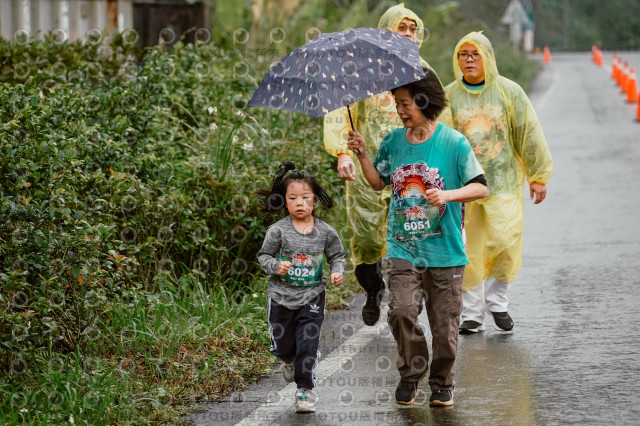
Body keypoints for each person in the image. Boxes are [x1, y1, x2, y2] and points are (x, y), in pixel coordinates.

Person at [347, 68, 487, 407]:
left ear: (424, 101)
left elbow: (480, 186)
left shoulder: (453, 142)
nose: (400, 110)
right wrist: (362, 154)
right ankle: (411, 372)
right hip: (402, 246)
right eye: (397, 103)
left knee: (445, 326)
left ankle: (442, 383)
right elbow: (379, 182)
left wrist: (448, 195)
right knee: (401, 312)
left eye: (406, 103)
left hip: (445, 250)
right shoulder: (393, 141)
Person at [323, 3, 436, 326]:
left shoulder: (423, 71)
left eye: (413, 29)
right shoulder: (359, 71)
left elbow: (442, 117)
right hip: (367, 167)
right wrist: (342, 152)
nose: (408, 33)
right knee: (368, 241)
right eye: (401, 27)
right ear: (385, 31)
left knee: (413, 234)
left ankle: (406, 304)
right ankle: (373, 289)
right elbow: (337, 115)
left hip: (413, 172)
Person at [441, 32, 553, 334]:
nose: (468, 60)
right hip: (465, 187)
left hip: (503, 183)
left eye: (475, 54)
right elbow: (442, 140)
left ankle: (497, 300)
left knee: (505, 242)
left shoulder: (509, 92)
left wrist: (538, 175)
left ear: (487, 57)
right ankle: (473, 313)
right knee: (468, 249)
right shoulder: (449, 95)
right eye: (463, 54)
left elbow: (528, 132)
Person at [256, 161, 345, 413]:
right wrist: (276, 266)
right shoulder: (278, 231)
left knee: (307, 346)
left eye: (305, 197)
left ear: (314, 201)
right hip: (281, 297)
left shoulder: (325, 232)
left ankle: (304, 391)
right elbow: (263, 256)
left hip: (312, 295)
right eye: (292, 198)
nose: (299, 203)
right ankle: (288, 361)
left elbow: (337, 256)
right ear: (285, 202)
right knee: (283, 348)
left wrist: (337, 272)